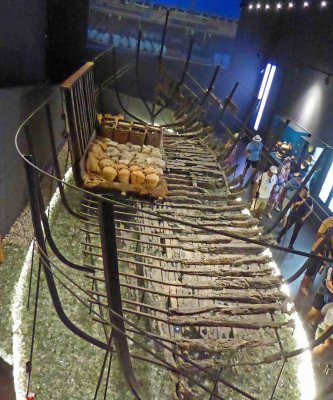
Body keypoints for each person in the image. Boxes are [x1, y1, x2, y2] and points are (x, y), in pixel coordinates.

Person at [299, 228, 333, 296]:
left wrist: (327, 258)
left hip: (319, 261)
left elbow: (328, 253)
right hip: (314, 259)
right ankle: (302, 286)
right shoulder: (322, 240)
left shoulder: (329, 244)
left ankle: (305, 284)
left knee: (311, 273)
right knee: (308, 274)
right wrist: (321, 257)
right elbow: (314, 248)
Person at [307, 263, 333, 330]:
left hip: (330, 299)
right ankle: (301, 323)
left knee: (324, 314)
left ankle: (314, 325)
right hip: (323, 293)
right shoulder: (331, 267)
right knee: (314, 311)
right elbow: (328, 284)